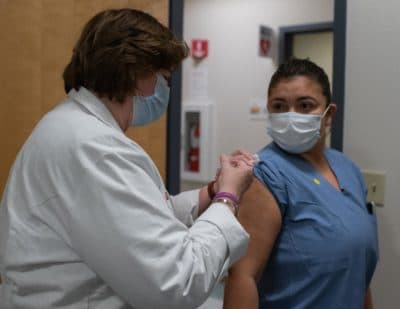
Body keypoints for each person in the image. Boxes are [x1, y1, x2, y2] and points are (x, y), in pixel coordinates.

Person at [0, 9, 256, 309]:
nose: (165, 89)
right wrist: (228, 198)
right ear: (137, 74)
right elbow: (178, 281)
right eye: (164, 77)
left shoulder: (71, 128)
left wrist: (211, 192)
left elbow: (138, 219)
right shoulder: (95, 149)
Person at [223, 58, 379, 309]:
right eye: (279, 106)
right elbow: (243, 277)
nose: (291, 116)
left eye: (305, 105)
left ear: (329, 115)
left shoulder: (348, 169)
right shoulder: (265, 175)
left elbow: (358, 272)